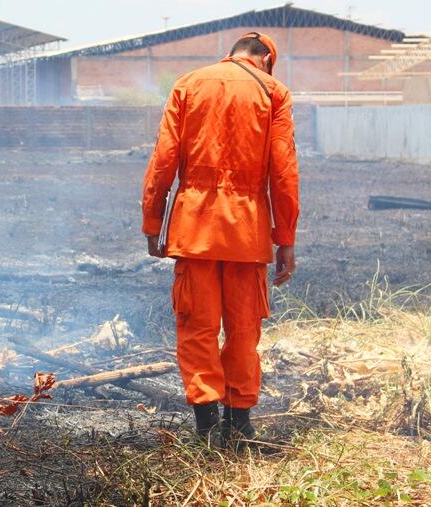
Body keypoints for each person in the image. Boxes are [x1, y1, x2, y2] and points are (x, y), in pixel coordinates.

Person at [141, 32, 299, 441]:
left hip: (194, 228)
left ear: (232, 53)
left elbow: (163, 159)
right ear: (265, 59)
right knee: (244, 330)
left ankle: (208, 429)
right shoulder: (274, 92)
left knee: (197, 327)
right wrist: (285, 238)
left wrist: (153, 222)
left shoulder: (189, 84)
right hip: (248, 233)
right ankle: (241, 425)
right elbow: (283, 172)